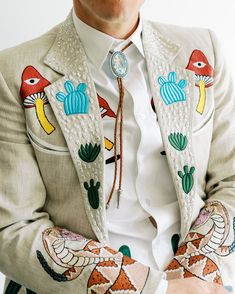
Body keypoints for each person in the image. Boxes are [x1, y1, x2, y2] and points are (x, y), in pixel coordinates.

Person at [0, 0, 234, 293]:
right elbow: (11, 228)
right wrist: (158, 290)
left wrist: (194, 278)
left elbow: (230, 179)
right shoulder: (11, 72)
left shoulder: (202, 49)